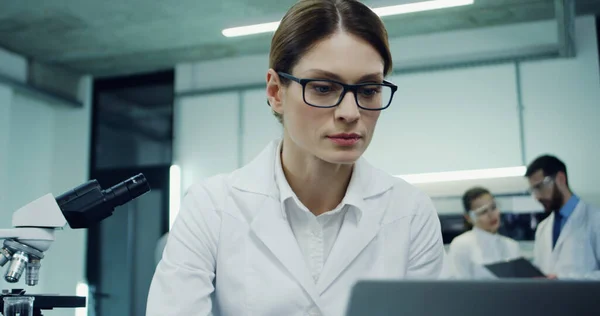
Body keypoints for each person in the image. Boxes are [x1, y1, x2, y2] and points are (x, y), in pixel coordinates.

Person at [146, 0, 450, 315]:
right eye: (322, 88)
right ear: (276, 92)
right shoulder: (211, 207)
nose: (350, 112)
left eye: (369, 89)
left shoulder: (410, 212)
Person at [526, 155, 600, 279]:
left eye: (540, 187)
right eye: (533, 190)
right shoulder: (543, 228)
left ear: (560, 179)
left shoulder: (595, 219)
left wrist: (562, 279)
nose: (537, 197)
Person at [447, 187, 521, 279]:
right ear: (469, 218)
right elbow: (459, 286)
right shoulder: (461, 245)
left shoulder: (512, 246)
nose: (491, 215)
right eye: (483, 212)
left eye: (493, 207)